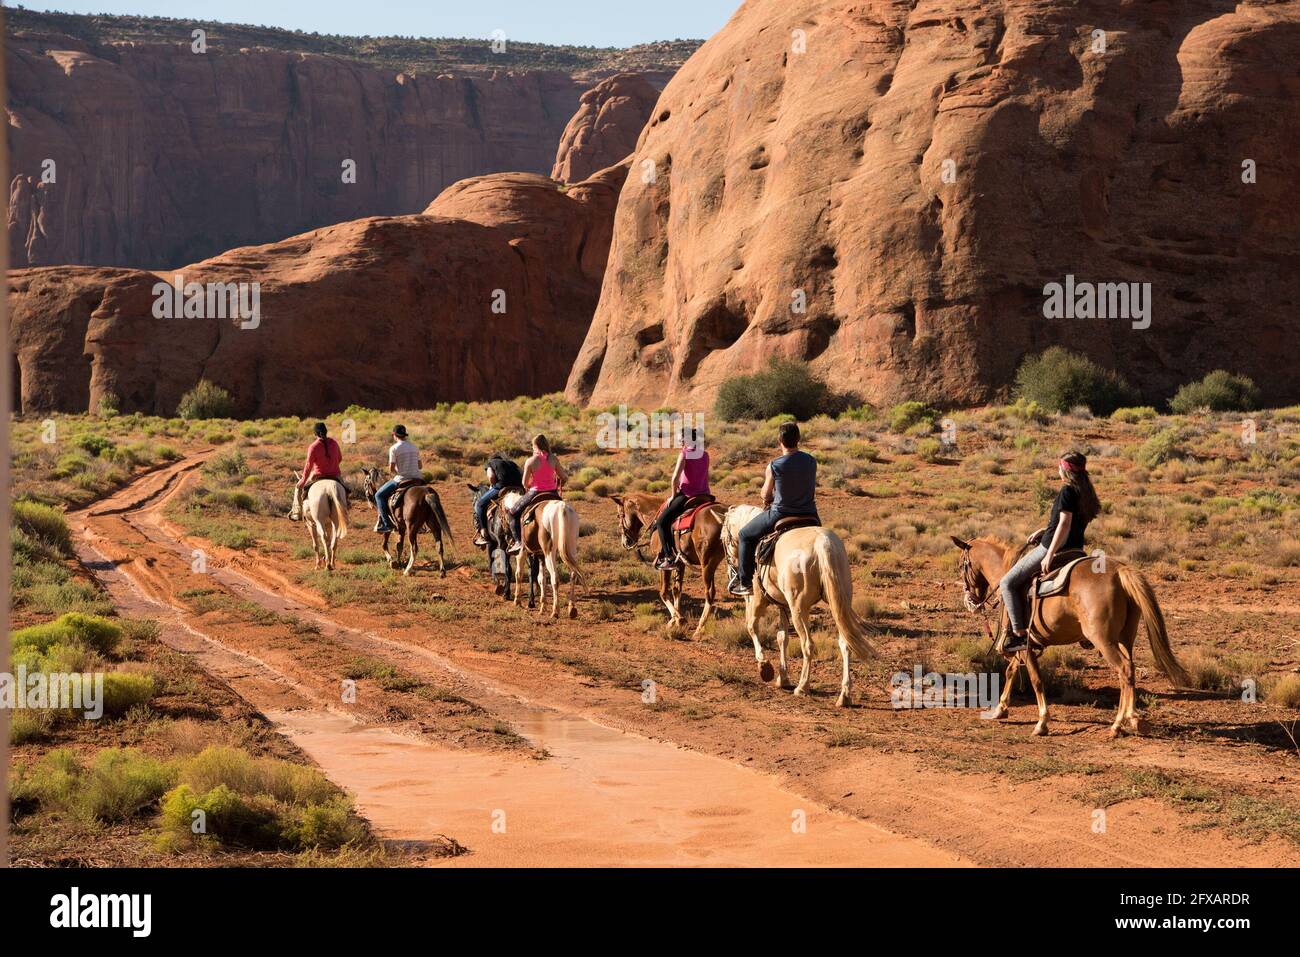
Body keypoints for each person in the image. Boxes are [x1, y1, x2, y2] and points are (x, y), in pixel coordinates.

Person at [1000, 450, 1101, 652]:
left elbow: (1064, 524)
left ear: (1065, 470)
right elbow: (1067, 525)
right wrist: (1045, 530)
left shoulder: (1067, 491)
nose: (1058, 469)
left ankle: (1018, 635)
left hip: (1054, 547)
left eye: (1059, 466)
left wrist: (1050, 553)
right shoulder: (1085, 492)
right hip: (1076, 550)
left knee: (1007, 582)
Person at [731, 422, 818, 596]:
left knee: (744, 535)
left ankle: (745, 581)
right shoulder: (811, 460)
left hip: (781, 513)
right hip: (810, 514)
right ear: (799, 439)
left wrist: (767, 497)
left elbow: (765, 493)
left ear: (779, 440)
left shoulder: (774, 465)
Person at [654, 427, 710, 570]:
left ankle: (669, 558)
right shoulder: (705, 454)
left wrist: (673, 496)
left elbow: (674, 479)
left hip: (687, 495)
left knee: (661, 522)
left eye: (680, 439)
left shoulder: (684, 453)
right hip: (705, 495)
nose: (679, 442)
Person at [507, 434, 568, 553]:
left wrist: (530, 485)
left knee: (512, 513)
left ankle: (518, 542)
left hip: (535, 492)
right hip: (552, 493)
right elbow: (564, 477)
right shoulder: (554, 459)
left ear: (535, 446)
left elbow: (524, 483)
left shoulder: (531, 461)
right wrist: (558, 484)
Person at [374, 424, 422, 534]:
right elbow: (420, 466)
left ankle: (387, 524)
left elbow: (391, 469)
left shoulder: (394, 448)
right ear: (405, 435)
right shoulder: (414, 447)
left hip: (401, 479)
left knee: (379, 495)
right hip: (417, 478)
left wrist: (398, 472)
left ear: (394, 435)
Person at [290, 422, 343, 520]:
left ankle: (297, 512)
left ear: (315, 434)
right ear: (326, 432)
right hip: (335, 475)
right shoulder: (334, 443)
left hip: (318, 476)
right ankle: (346, 507)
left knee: (298, 487)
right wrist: (331, 467)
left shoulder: (313, 446)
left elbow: (309, 465)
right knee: (345, 489)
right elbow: (339, 458)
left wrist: (303, 479)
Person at [474, 452, 523, 547]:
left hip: (502, 487)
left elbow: (491, 476)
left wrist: (493, 485)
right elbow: (521, 473)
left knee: (480, 504)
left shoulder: (491, 463)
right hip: (518, 488)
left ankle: (483, 532)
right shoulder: (512, 463)